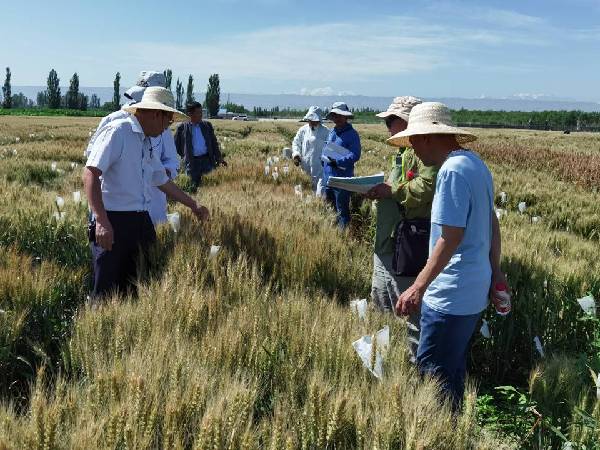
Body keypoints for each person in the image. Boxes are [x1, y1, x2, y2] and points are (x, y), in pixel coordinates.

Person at [392, 102, 506, 410]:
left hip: (450, 295)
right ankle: (455, 429)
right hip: (473, 290)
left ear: (429, 137)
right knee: (452, 368)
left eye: (414, 140)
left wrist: (418, 286)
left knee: (432, 373)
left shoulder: (451, 172)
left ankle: (440, 432)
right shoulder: (476, 165)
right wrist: (496, 272)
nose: (413, 150)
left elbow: (449, 237)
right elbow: (492, 223)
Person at [83, 87, 209, 300]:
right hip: (114, 221)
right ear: (155, 113)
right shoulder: (118, 132)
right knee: (106, 292)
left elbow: (160, 179)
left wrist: (193, 205)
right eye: (167, 122)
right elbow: (90, 174)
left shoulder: (146, 141)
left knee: (140, 287)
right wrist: (102, 221)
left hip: (141, 221)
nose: (165, 129)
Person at [364, 96, 439, 361]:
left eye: (391, 120)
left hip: (406, 246)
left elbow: (425, 189)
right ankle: (386, 359)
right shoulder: (402, 153)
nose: (387, 125)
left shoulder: (425, 154)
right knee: (382, 306)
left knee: (406, 309)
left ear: (408, 122)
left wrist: (391, 190)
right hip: (386, 244)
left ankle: (410, 365)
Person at [85, 71, 179, 225]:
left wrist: (166, 172)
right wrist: (101, 219)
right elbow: (93, 167)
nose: (166, 126)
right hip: (114, 212)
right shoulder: (114, 124)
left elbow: (164, 170)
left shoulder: (156, 131)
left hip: (150, 208)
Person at [322, 102, 361, 228]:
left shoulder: (352, 134)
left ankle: (343, 238)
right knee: (329, 208)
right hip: (328, 178)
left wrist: (337, 162)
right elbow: (327, 149)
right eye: (334, 115)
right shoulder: (332, 131)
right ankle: (332, 236)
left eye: (340, 115)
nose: (337, 118)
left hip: (342, 179)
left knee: (342, 210)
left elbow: (355, 155)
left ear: (346, 117)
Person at [174, 101, 226, 188]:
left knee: (210, 186)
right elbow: (177, 146)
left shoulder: (207, 126)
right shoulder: (182, 128)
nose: (201, 115)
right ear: (190, 114)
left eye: (201, 112)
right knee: (192, 187)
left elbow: (214, 144)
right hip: (192, 163)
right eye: (198, 112)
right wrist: (185, 156)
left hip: (207, 161)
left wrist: (219, 158)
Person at [292, 106, 329, 194]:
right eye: (310, 120)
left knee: (319, 194)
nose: (311, 122)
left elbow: (329, 149)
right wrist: (296, 155)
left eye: (314, 120)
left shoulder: (326, 131)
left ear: (319, 120)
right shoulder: (303, 130)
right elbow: (296, 143)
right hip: (305, 166)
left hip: (320, 168)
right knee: (305, 191)